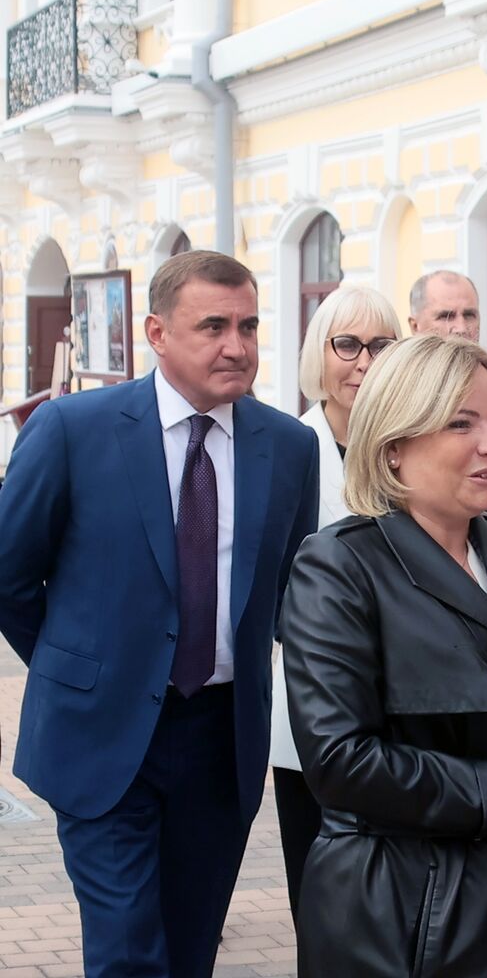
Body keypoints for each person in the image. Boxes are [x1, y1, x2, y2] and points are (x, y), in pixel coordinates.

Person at [0, 250, 319, 977]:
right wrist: (76, 668)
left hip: (221, 742)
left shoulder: (289, 448)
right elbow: (9, 575)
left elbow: (290, 597)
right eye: (212, 325)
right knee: (126, 954)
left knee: (189, 948)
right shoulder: (72, 431)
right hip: (102, 738)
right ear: (156, 332)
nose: (235, 345)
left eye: (248, 325)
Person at [279, 334, 487, 977]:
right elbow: (341, 762)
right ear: (394, 447)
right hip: (408, 915)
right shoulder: (339, 567)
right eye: (459, 424)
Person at [269, 284, 401, 923]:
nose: (364, 362)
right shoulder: (286, 453)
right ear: (317, 356)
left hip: (410, 707)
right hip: (317, 707)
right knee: (322, 895)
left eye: (382, 345)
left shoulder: (417, 447)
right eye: (346, 344)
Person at [409, 269, 487, 522]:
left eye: (469, 315)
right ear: (414, 326)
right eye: (446, 316)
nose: (461, 328)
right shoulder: (395, 400)